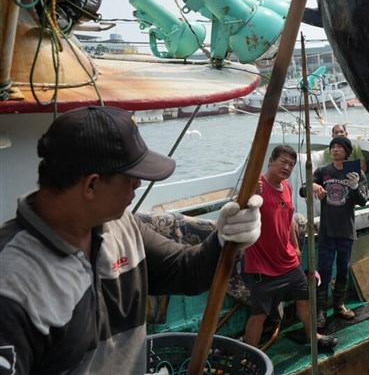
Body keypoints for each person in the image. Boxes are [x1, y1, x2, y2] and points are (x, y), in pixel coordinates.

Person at [0, 105, 262, 373]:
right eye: (131, 177)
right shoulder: (13, 280)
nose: (138, 185)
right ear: (91, 185)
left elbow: (186, 271)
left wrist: (225, 238)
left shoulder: (122, 225)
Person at [244, 145, 338, 350]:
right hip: (262, 265)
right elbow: (238, 207)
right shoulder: (255, 186)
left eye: (291, 164)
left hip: (288, 261)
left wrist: (295, 246)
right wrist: (248, 194)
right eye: (283, 162)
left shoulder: (286, 187)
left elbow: (289, 220)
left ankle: (313, 336)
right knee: (258, 314)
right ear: (270, 161)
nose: (287, 167)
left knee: (304, 299)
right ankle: (248, 355)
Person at [310, 135, 369, 328]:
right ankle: (320, 311)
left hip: (346, 230)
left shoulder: (357, 173)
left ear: (346, 151)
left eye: (339, 147)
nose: (335, 150)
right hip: (327, 231)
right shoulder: (322, 172)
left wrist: (353, 188)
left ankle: (339, 305)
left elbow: (362, 200)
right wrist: (313, 185)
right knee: (324, 271)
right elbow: (304, 189)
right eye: (332, 147)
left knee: (343, 270)